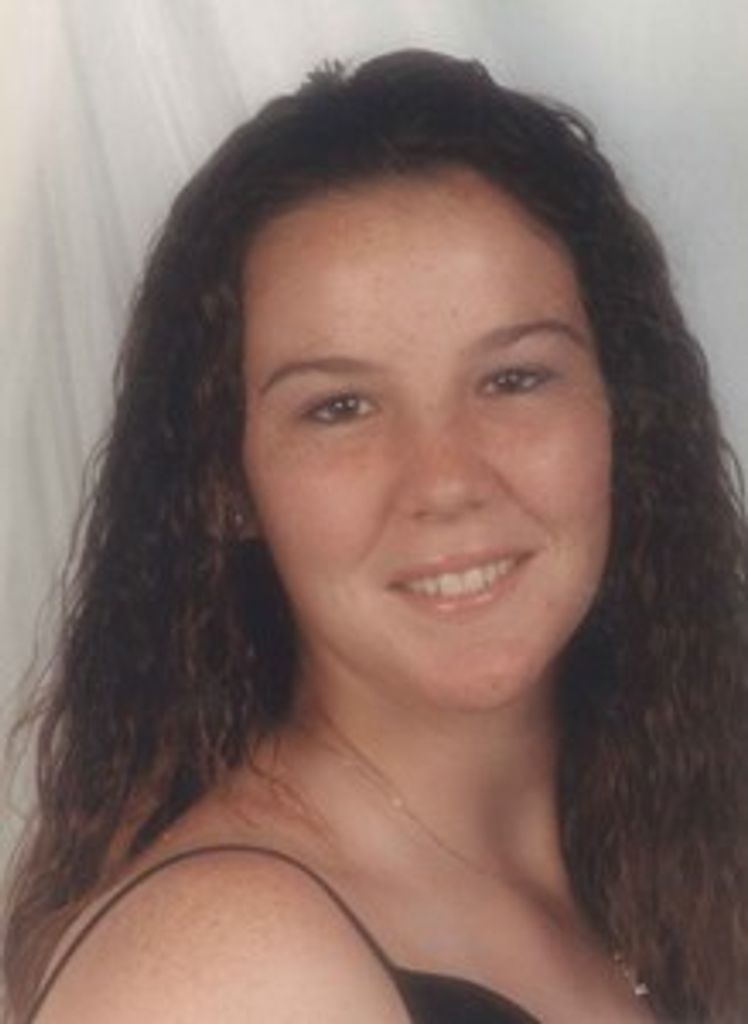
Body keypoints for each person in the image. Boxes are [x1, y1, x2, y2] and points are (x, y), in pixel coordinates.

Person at [2, 49, 747, 1024]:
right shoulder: (224, 969)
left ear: (622, 413)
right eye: (340, 407)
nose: (447, 480)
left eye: (514, 378)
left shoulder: (667, 871)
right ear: (226, 484)